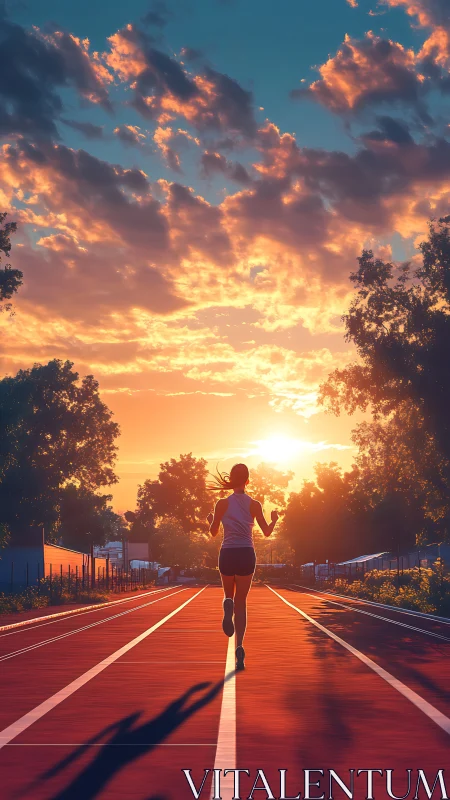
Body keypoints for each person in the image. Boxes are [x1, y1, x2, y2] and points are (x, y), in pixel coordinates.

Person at [207, 463, 279, 670]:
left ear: (231, 480)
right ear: (247, 481)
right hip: (246, 553)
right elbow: (266, 532)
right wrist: (274, 520)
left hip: (227, 553)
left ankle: (226, 604)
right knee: (242, 602)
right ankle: (239, 647)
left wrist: (210, 520)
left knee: (229, 595)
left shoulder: (221, 504)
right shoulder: (254, 504)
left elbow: (213, 532)